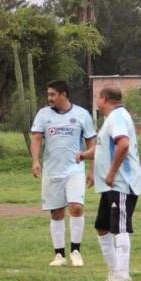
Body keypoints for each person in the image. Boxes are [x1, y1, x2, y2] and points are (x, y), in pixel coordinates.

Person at [77, 86, 141, 281]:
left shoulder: (117, 117)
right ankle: (115, 272)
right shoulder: (112, 119)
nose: (97, 100)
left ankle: (122, 276)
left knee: (120, 227)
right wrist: (84, 155)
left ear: (104, 98)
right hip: (109, 186)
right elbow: (103, 147)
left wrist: (112, 172)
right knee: (102, 227)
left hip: (121, 183)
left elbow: (122, 144)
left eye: (98, 97)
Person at [30, 80, 96, 267]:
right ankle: (59, 254)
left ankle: (76, 251)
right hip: (52, 170)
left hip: (74, 169)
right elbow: (35, 138)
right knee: (57, 212)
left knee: (76, 207)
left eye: (53, 94)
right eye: (48, 94)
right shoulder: (43, 114)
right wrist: (35, 161)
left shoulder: (82, 114)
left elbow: (91, 143)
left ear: (64, 94)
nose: (49, 98)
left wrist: (91, 169)